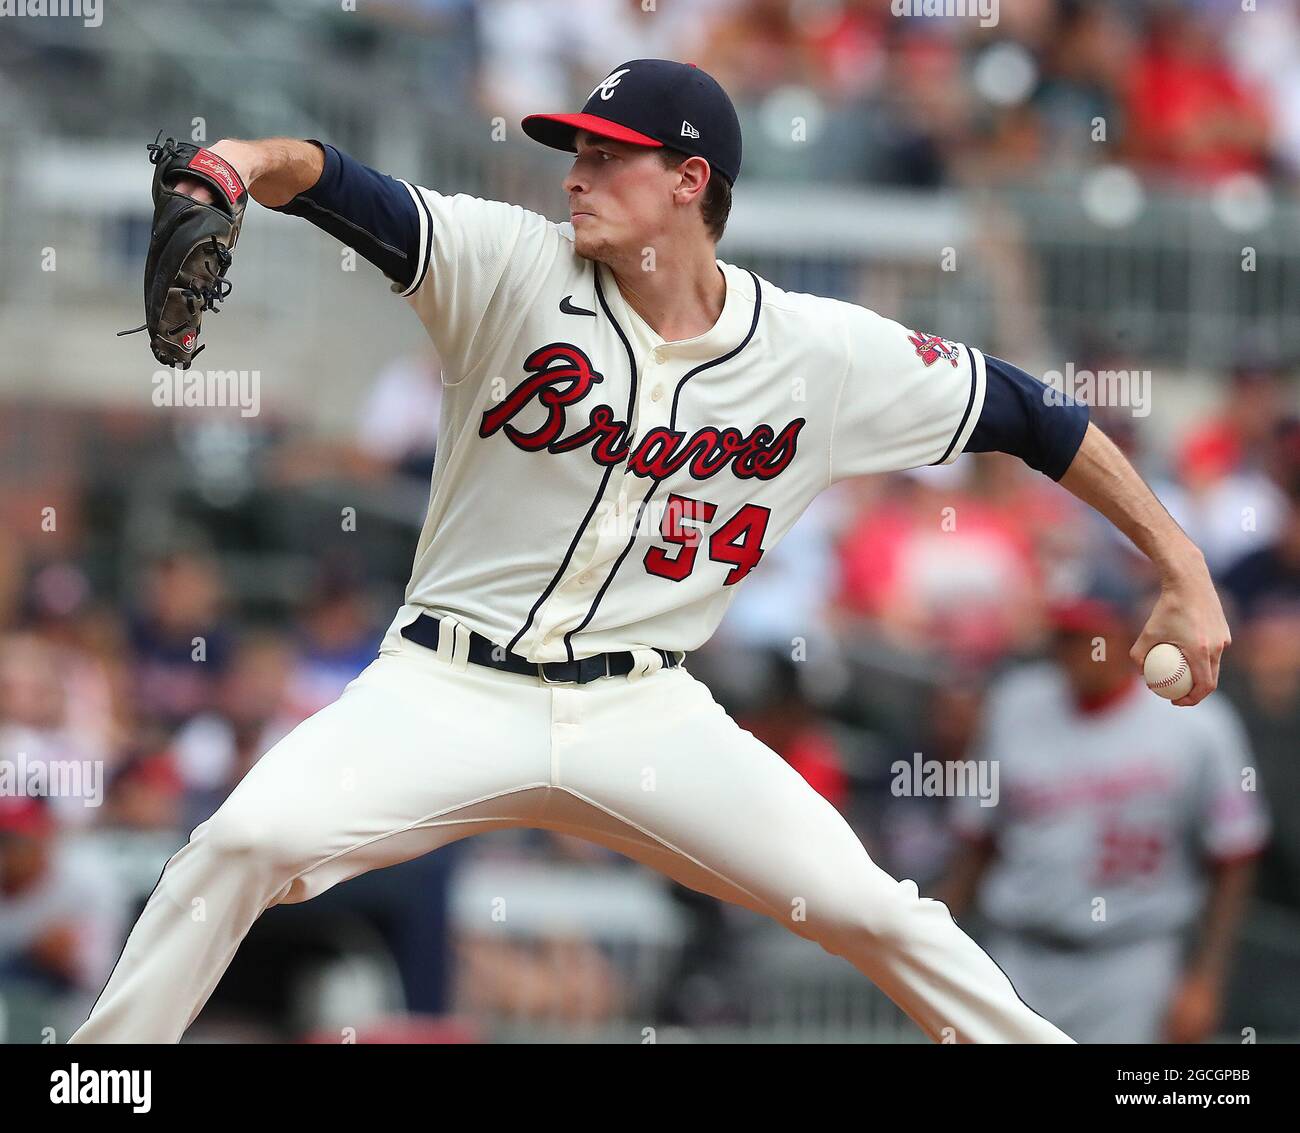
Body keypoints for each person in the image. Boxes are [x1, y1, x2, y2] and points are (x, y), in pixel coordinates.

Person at [72, 59, 1231, 1044]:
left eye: (608, 155)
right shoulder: (506, 264)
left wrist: (1179, 565)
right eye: (573, 150)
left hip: (644, 716)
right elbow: (325, 175)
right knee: (241, 840)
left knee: (875, 913)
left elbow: (1032, 414)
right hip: (446, 686)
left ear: (690, 183)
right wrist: (231, 164)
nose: (574, 172)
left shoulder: (817, 353)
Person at [938, 582, 1268, 1042]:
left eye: (1086, 637)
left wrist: (1204, 980)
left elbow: (1235, 854)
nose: (1070, 651)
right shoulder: (1014, 705)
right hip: (1018, 953)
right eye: (1062, 637)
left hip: (1132, 961)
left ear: (1129, 639)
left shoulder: (1195, 722)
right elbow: (977, 839)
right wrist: (938, 941)